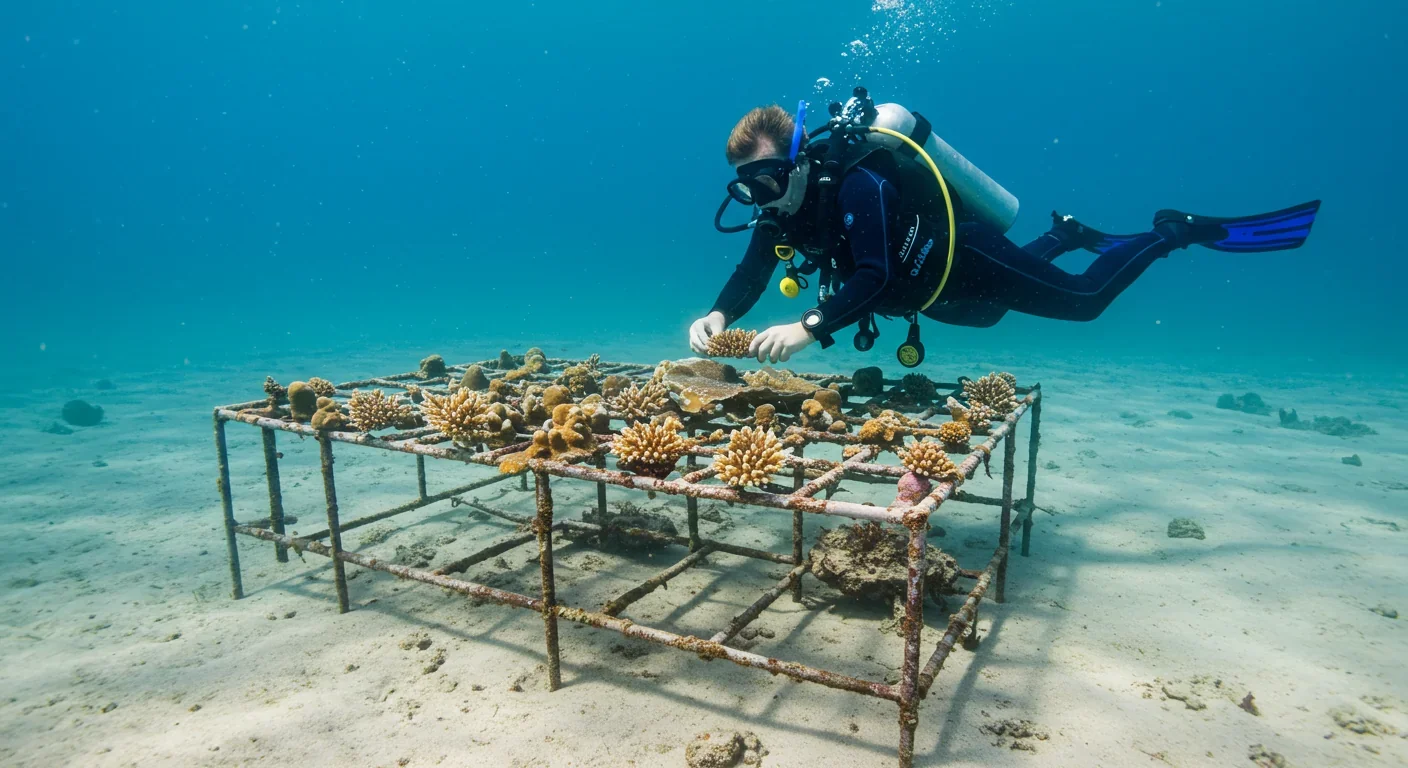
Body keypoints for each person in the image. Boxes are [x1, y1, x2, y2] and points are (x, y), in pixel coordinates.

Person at [689, 102, 1320, 364]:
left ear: (797, 157)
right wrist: (720, 314)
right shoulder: (779, 209)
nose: (761, 196)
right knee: (991, 320)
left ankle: (1171, 231)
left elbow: (874, 273)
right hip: (930, 297)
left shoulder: (858, 182)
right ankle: (1065, 233)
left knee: (1083, 304)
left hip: (964, 256)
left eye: (769, 177)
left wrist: (807, 327)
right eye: (748, 186)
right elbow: (752, 271)